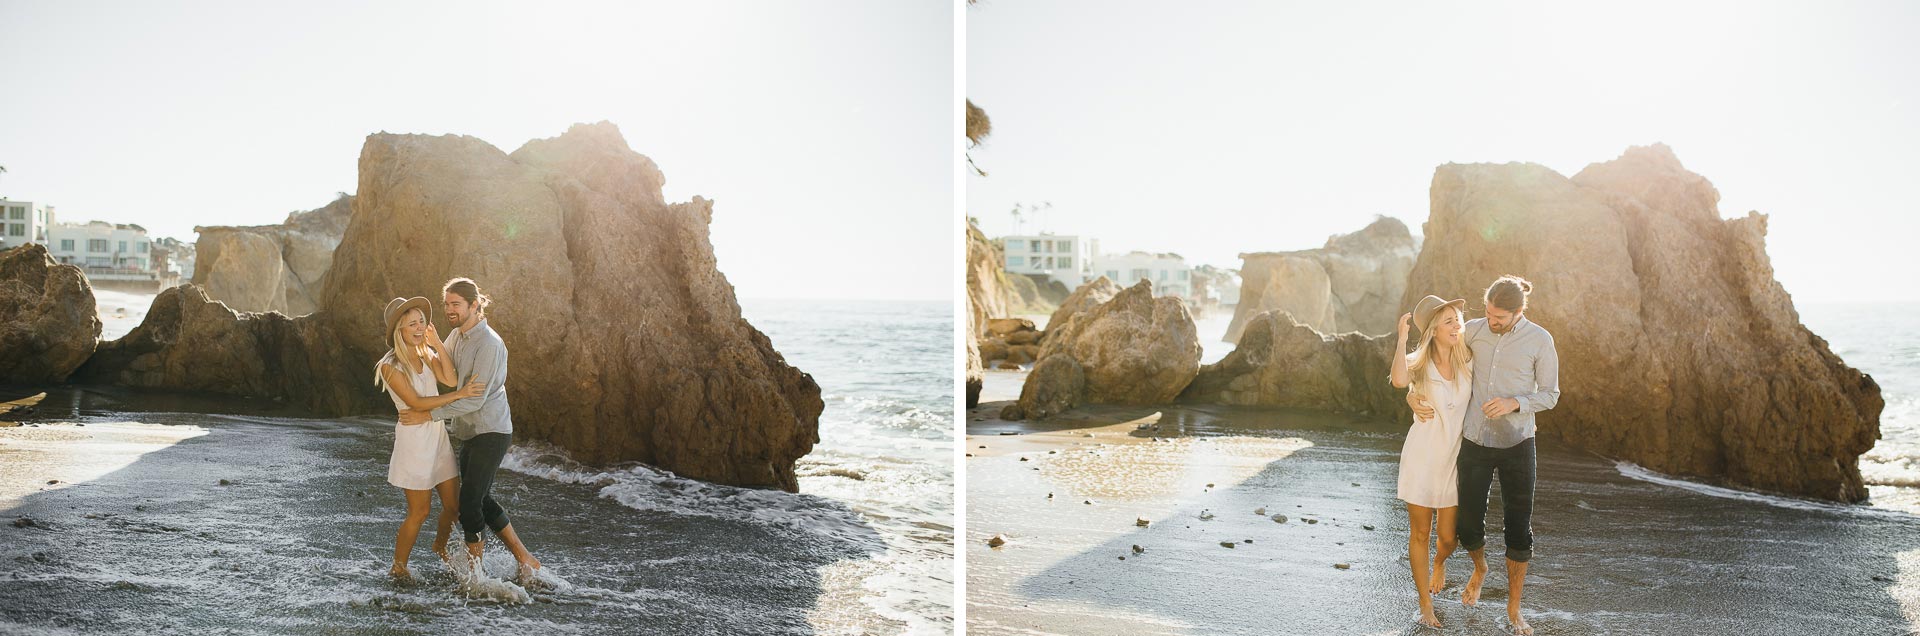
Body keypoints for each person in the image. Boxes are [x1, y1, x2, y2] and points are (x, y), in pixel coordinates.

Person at [1412, 275, 1560, 636]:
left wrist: (1515, 403)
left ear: (1518, 312)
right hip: (1475, 442)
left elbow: (1551, 394)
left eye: (1499, 318)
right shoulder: (1473, 330)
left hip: (1518, 444)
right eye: (1489, 314)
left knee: (1518, 530)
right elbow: (1434, 360)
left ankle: (1514, 610)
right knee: (1466, 525)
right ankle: (1480, 568)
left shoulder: (1540, 340)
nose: (1491, 322)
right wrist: (1411, 395)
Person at [398, 277, 547, 587]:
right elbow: (447, 372)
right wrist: (433, 342)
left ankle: (475, 575)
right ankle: (525, 559)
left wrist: (428, 414)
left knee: (468, 504)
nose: (449, 309)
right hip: (468, 431)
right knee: (481, 499)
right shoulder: (456, 335)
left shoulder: (490, 343)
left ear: (475, 305)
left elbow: (474, 398)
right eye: (446, 304)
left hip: (491, 430)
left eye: (456, 304)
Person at [374, 296, 483, 580]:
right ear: (399, 329)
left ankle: (439, 545)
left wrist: (437, 345)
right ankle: (398, 567)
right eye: (413, 323)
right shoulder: (389, 366)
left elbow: (449, 376)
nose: (420, 327)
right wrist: (460, 395)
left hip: (436, 438)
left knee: (454, 506)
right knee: (420, 511)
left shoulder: (424, 352)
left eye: (422, 321)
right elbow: (416, 402)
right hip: (414, 443)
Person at [1389, 294, 1473, 628]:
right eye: (1449, 320)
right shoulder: (1420, 363)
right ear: (1435, 329)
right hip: (1422, 457)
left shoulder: (1469, 358)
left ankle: (1440, 563)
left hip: (1454, 460)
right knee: (1420, 532)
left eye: (1458, 319)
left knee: (1449, 537)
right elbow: (1398, 380)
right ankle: (1426, 605)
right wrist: (1401, 340)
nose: (1457, 325)